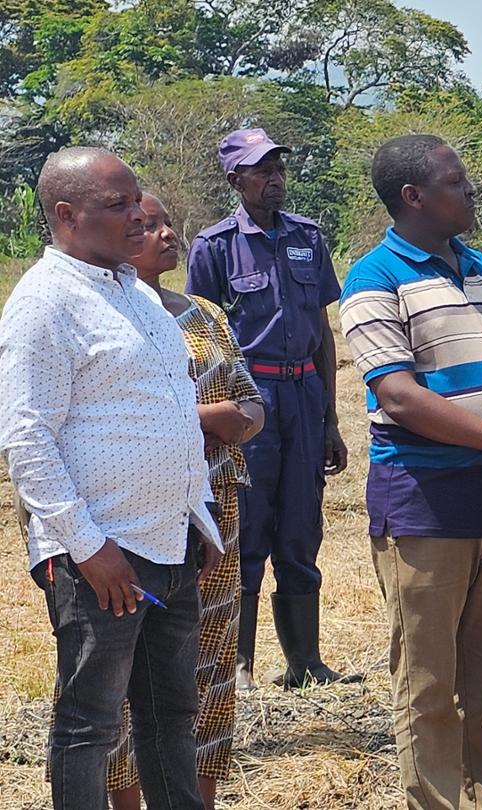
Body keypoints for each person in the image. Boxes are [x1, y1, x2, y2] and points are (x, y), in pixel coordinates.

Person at [0, 147, 223, 810]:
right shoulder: (44, 304)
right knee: (91, 726)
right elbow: (25, 437)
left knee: (171, 714)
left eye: (136, 200)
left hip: (171, 543)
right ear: (66, 215)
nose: (138, 216)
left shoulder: (136, 294)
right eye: (117, 205)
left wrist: (199, 514)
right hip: (103, 556)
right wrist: (86, 546)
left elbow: (176, 408)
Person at [339, 133, 482, 810]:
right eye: (457, 183)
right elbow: (399, 396)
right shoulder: (373, 277)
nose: (470, 193)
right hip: (427, 502)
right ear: (414, 197)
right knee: (429, 681)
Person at [101, 193, 265, 810]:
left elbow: (251, 405)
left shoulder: (205, 315)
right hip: (136, 515)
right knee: (128, 671)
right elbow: (110, 419)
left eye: (168, 222)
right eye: (144, 225)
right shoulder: (103, 318)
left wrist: (220, 417)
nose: (167, 233)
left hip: (216, 510)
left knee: (212, 660)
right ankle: (127, 799)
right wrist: (209, 417)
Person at [184, 128, 356, 689]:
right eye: (261, 169)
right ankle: (239, 665)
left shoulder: (308, 236)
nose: (274, 177)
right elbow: (197, 337)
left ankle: (305, 662)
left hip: (304, 393)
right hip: (248, 398)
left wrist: (331, 419)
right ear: (235, 179)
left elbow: (323, 333)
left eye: (278, 166)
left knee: (303, 526)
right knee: (248, 526)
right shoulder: (213, 247)